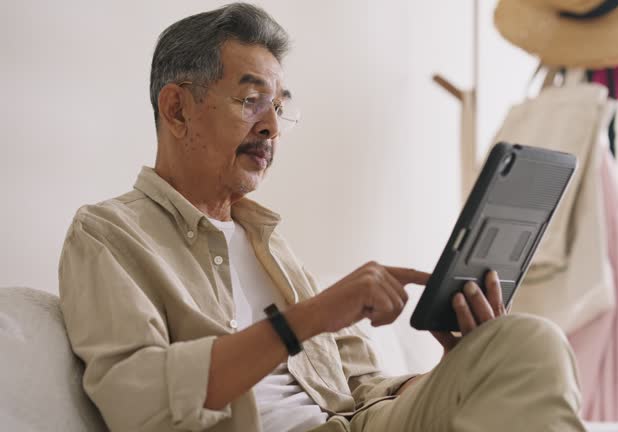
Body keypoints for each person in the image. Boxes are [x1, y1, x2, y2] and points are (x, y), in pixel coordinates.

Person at [58, 4, 586, 431]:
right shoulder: (108, 235)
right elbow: (136, 403)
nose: (271, 128)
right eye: (249, 101)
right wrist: (312, 316)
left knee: (524, 341)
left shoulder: (270, 245)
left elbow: (359, 387)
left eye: (279, 107)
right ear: (176, 109)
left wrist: (465, 367)